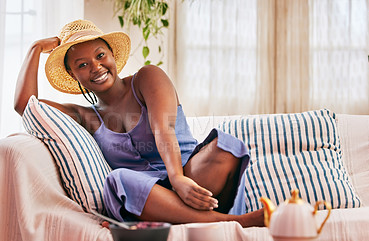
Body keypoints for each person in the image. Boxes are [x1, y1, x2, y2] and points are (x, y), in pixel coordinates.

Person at [14, 19, 264, 227]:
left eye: (100, 55)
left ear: (112, 55)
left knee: (224, 148)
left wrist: (177, 178)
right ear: (73, 75)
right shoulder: (85, 116)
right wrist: (35, 48)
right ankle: (236, 222)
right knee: (119, 179)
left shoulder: (147, 77)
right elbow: (26, 105)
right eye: (83, 65)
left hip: (190, 174)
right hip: (145, 195)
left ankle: (180, 216)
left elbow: (163, 128)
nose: (96, 67)